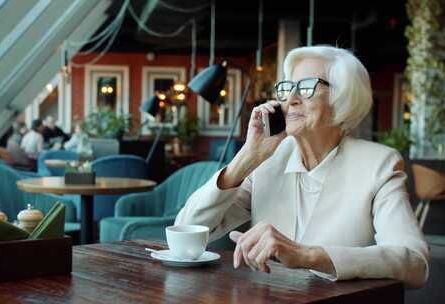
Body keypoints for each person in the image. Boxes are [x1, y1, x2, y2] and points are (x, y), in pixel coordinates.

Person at [175, 46, 429, 288]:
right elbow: (186, 231)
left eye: (307, 87)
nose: (292, 99)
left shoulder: (379, 165)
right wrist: (246, 158)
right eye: (287, 88)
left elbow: (415, 262)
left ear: (343, 99)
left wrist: (308, 255)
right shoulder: (268, 161)